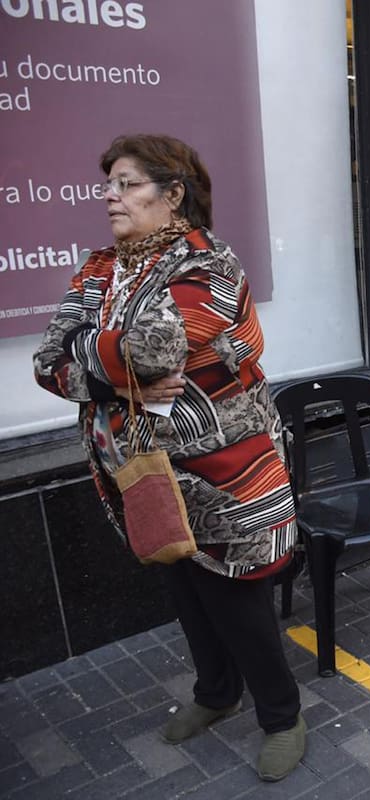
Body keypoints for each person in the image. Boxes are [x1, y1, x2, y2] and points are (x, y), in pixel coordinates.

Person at [33, 134, 306, 782]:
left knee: (239, 601)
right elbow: (48, 363)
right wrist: (110, 373)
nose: (110, 196)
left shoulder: (207, 265)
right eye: (110, 184)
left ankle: (282, 715)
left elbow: (156, 351)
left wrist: (95, 357)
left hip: (226, 475)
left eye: (127, 183)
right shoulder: (101, 268)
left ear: (173, 193)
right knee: (184, 588)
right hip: (142, 475)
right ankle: (217, 693)